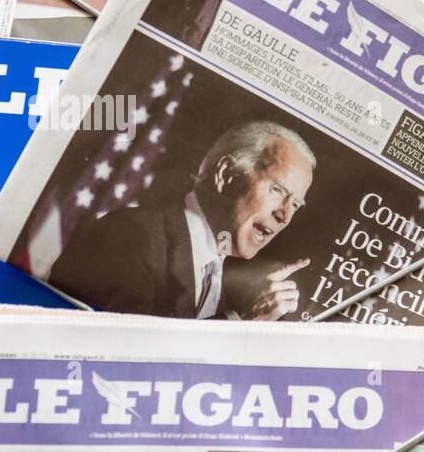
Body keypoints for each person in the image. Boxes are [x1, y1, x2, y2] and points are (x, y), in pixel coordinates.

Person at [49, 120, 315, 321]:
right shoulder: (132, 236)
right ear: (226, 175)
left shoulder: (216, 279)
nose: (284, 215)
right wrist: (241, 320)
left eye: (295, 205)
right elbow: (125, 363)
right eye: (277, 190)